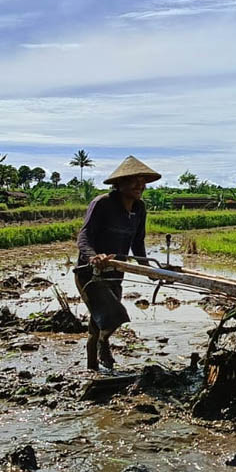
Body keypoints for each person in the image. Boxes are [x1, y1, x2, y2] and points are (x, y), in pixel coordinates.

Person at [75, 156, 161, 371]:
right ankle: (95, 362)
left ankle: (97, 358)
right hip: (90, 273)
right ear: (119, 183)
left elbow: (138, 242)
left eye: (142, 181)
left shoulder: (139, 209)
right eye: (133, 180)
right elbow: (84, 236)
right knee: (112, 316)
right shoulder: (102, 203)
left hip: (116, 273)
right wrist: (94, 256)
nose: (139, 185)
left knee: (99, 322)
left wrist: (148, 269)